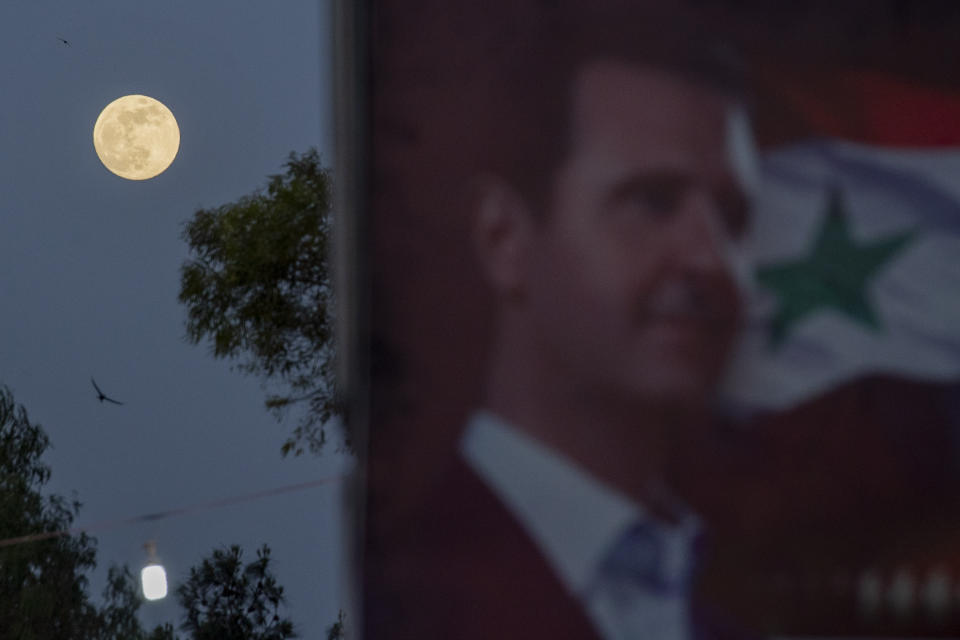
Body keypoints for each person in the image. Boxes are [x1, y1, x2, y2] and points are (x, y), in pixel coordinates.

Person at [363, 7, 758, 639]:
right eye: (654, 200)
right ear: (504, 235)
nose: (714, 260)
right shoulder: (387, 596)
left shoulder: (733, 595)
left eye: (734, 217)